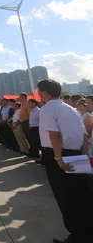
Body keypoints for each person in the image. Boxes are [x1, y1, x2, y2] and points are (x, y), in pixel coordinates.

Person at [37, 79, 93, 243]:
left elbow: (55, 135)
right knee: (83, 194)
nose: (38, 93)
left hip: (58, 154)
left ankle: (77, 235)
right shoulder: (70, 109)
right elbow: (83, 135)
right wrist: (82, 154)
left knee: (66, 197)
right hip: (76, 152)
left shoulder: (47, 109)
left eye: (39, 91)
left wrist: (58, 159)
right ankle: (88, 230)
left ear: (45, 93)